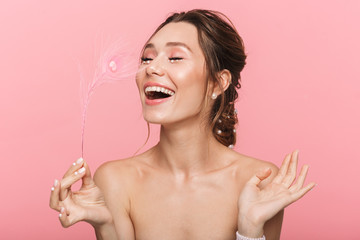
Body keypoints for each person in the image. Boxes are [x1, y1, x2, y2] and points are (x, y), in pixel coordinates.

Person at [49, 9, 315, 240]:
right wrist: (106, 226)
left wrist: (250, 229)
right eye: (147, 58)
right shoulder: (115, 181)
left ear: (217, 82)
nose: (151, 68)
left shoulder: (259, 182)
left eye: (175, 57)